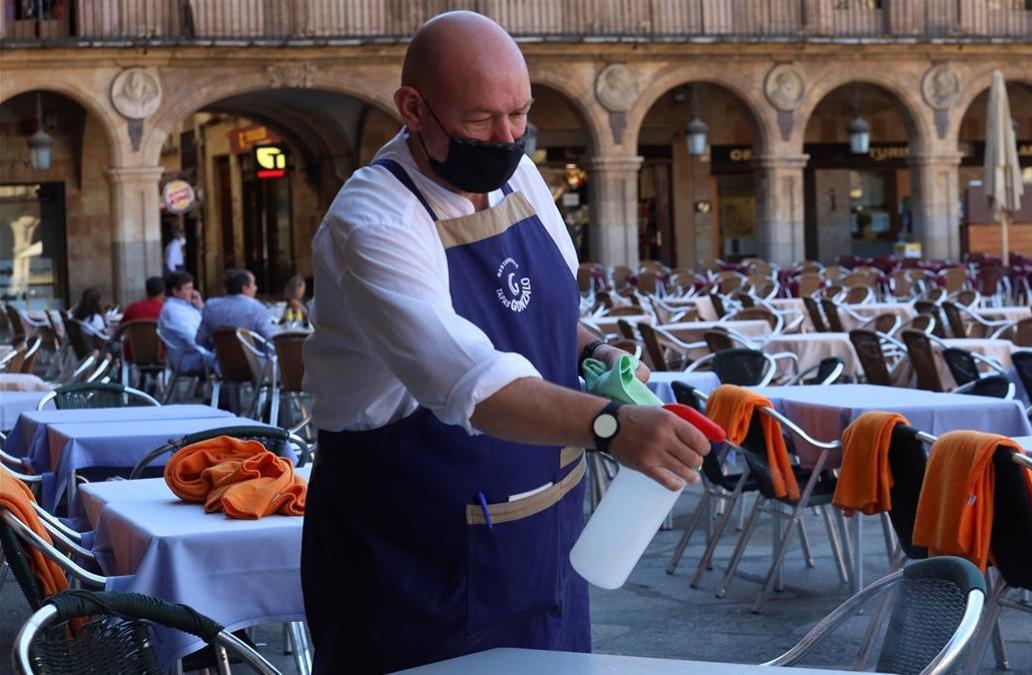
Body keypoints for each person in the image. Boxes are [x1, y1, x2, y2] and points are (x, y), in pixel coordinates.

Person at [300, 12, 709, 673]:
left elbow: (537, 310)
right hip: (417, 565)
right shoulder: (373, 221)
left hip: (543, 548)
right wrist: (611, 425)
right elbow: (468, 382)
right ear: (413, 108)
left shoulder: (518, 176)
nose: (507, 137)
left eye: (520, 113)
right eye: (481, 120)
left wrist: (592, 353)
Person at [194, 268, 277, 349]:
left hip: (220, 361)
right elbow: (271, 338)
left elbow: (200, 340)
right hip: (253, 361)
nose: (256, 288)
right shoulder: (256, 307)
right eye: (253, 284)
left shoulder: (211, 305)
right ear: (244, 288)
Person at [159, 271, 214, 373]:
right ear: (175, 291)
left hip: (198, 353)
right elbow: (192, 337)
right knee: (229, 359)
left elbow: (206, 325)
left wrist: (201, 307)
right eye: (188, 289)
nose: (193, 293)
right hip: (189, 358)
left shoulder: (188, 306)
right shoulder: (172, 311)